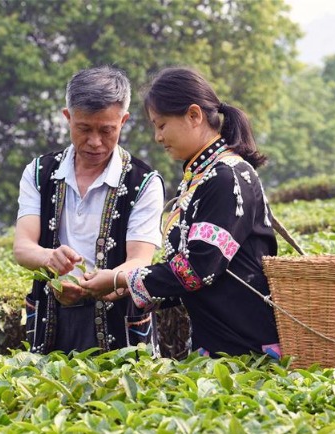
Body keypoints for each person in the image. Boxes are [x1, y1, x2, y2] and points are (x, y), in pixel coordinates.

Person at [80, 66, 281, 358]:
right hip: (217, 347)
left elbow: (198, 270)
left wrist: (122, 279)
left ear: (194, 115)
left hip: (245, 350)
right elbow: (192, 277)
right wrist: (128, 289)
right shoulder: (201, 178)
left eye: (161, 125)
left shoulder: (226, 177)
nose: (158, 137)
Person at [13, 65, 164, 354]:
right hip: (51, 321)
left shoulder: (143, 183)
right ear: (67, 117)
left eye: (107, 130)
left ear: (124, 121)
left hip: (121, 327)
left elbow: (138, 261)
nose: (95, 141)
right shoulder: (39, 173)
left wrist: (102, 284)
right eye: (83, 128)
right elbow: (23, 247)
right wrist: (50, 258)